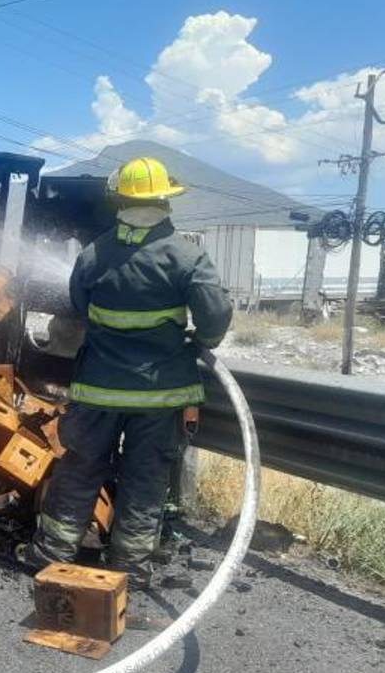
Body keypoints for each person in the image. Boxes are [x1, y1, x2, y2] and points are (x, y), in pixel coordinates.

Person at [24, 157, 233, 588]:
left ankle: (50, 553)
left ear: (118, 200)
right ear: (166, 202)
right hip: (160, 395)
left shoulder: (93, 255)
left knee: (80, 468)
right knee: (146, 477)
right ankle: (130, 568)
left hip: (97, 389)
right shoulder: (188, 257)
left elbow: (81, 309)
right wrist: (201, 341)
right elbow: (215, 317)